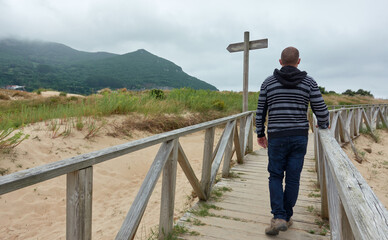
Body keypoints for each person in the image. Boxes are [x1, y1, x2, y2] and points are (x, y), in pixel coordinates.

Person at [255, 46, 329, 235]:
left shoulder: (268, 83)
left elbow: (261, 110)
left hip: (277, 136)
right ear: (298, 61)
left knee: (275, 176)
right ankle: (286, 217)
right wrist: (324, 123)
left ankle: (279, 216)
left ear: (280, 62)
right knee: (293, 179)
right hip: (299, 137)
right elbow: (320, 107)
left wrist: (260, 133)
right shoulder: (309, 82)